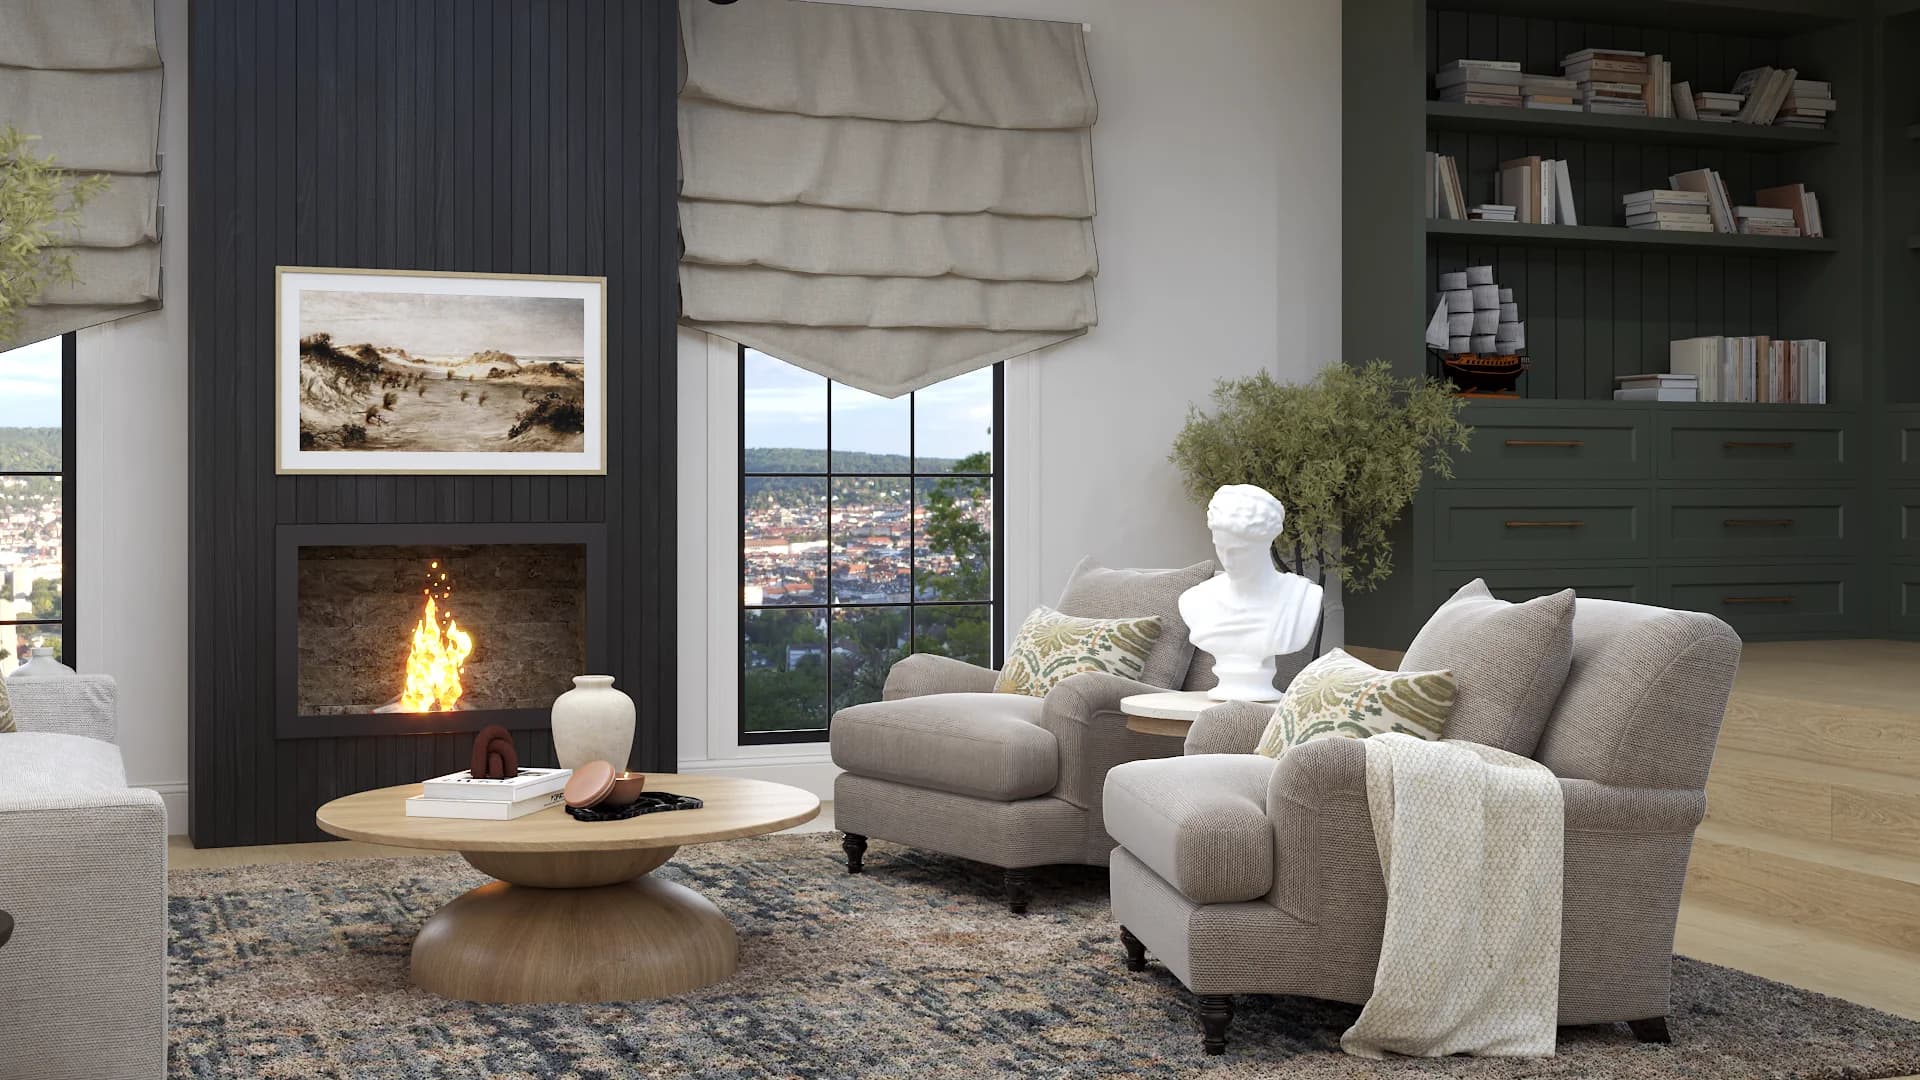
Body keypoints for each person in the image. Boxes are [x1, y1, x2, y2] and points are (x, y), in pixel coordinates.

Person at [1178, 484, 1322, 701]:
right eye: (1220, 547)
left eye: (1239, 551)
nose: (1228, 560)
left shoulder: (1302, 598)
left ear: (1265, 544)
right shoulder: (1195, 601)